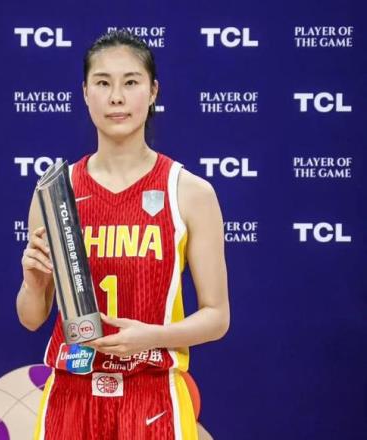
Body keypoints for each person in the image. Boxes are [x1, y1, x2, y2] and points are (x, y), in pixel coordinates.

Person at [16, 29, 230, 440]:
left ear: (153, 92)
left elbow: (217, 317)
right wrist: (33, 282)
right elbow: (31, 318)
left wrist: (153, 337)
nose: (116, 97)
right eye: (103, 83)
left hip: (153, 395)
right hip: (70, 394)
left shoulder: (189, 192)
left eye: (131, 82)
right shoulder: (56, 192)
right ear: (85, 93)